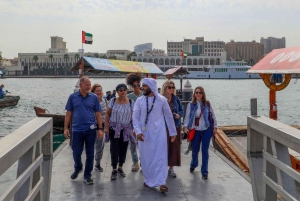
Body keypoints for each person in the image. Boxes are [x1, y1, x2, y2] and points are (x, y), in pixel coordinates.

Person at [132, 78, 177, 193]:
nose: (142, 88)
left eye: (145, 86)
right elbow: (135, 117)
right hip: (144, 135)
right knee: (146, 159)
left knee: (160, 158)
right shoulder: (139, 101)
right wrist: (138, 132)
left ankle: (162, 183)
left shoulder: (162, 100)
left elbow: (169, 116)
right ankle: (148, 180)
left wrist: (172, 132)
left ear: (151, 87)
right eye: (142, 86)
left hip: (159, 134)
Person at [64, 76, 104, 185]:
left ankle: (87, 176)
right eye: (87, 85)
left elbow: (98, 113)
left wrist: (100, 129)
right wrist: (66, 128)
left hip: (90, 130)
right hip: (76, 130)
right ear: (80, 85)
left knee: (90, 153)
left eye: (90, 85)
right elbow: (68, 113)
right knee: (76, 152)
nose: (89, 87)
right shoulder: (72, 97)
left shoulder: (94, 97)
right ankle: (78, 167)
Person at [183, 86, 218, 180]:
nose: (198, 94)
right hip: (196, 130)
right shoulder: (191, 105)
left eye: (200, 92)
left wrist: (215, 127)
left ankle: (204, 172)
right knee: (195, 150)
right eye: (196, 92)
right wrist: (185, 127)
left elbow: (213, 115)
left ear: (203, 94)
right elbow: (187, 117)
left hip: (206, 129)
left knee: (205, 151)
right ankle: (193, 164)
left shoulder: (207, 104)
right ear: (194, 94)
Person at [104, 83, 136, 180]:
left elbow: (133, 117)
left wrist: (134, 129)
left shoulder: (131, 102)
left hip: (126, 129)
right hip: (114, 129)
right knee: (114, 149)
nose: (123, 92)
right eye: (120, 90)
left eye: (124, 90)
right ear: (117, 92)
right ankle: (114, 169)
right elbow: (107, 114)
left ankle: (120, 167)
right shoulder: (113, 101)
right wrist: (106, 127)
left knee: (123, 149)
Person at [161, 80, 183, 178]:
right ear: (165, 88)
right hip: (163, 127)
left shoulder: (176, 99)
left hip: (175, 126)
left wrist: (179, 115)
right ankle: (162, 168)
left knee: (174, 148)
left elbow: (182, 110)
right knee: (163, 147)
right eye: (169, 87)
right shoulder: (160, 99)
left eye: (173, 87)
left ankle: (171, 168)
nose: (171, 89)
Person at [126, 72, 143, 171]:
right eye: (134, 85)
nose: (137, 87)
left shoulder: (144, 95)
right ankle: (135, 162)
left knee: (142, 143)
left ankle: (143, 162)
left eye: (138, 85)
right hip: (131, 124)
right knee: (132, 144)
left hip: (143, 124)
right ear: (131, 86)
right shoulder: (129, 97)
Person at [91, 84, 107, 172]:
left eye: (100, 90)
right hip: (93, 126)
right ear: (93, 92)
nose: (99, 92)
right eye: (97, 90)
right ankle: (90, 163)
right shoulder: (91, 101)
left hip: (102, 126)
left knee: (100, 146)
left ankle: (97, 163)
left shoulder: (105, 100)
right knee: (91, 146)